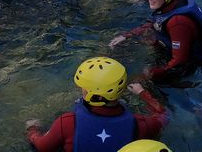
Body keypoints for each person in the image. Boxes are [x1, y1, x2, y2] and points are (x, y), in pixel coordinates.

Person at [25, 57, 168, 152]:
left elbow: (41, 146)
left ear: (94, 95)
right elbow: (163, 116)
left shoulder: (67, 123)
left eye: (84, 88)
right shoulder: (140, 124)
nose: (81, 90)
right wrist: (142, 93)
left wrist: (32, 129)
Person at [108, 0, 202, 82]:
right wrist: (127, 35)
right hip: (173, 48)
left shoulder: (178, 22)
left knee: (135, 83)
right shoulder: (175, 2)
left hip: (187, 66)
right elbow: (156, 20)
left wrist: (148, 75)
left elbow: (178, 63)